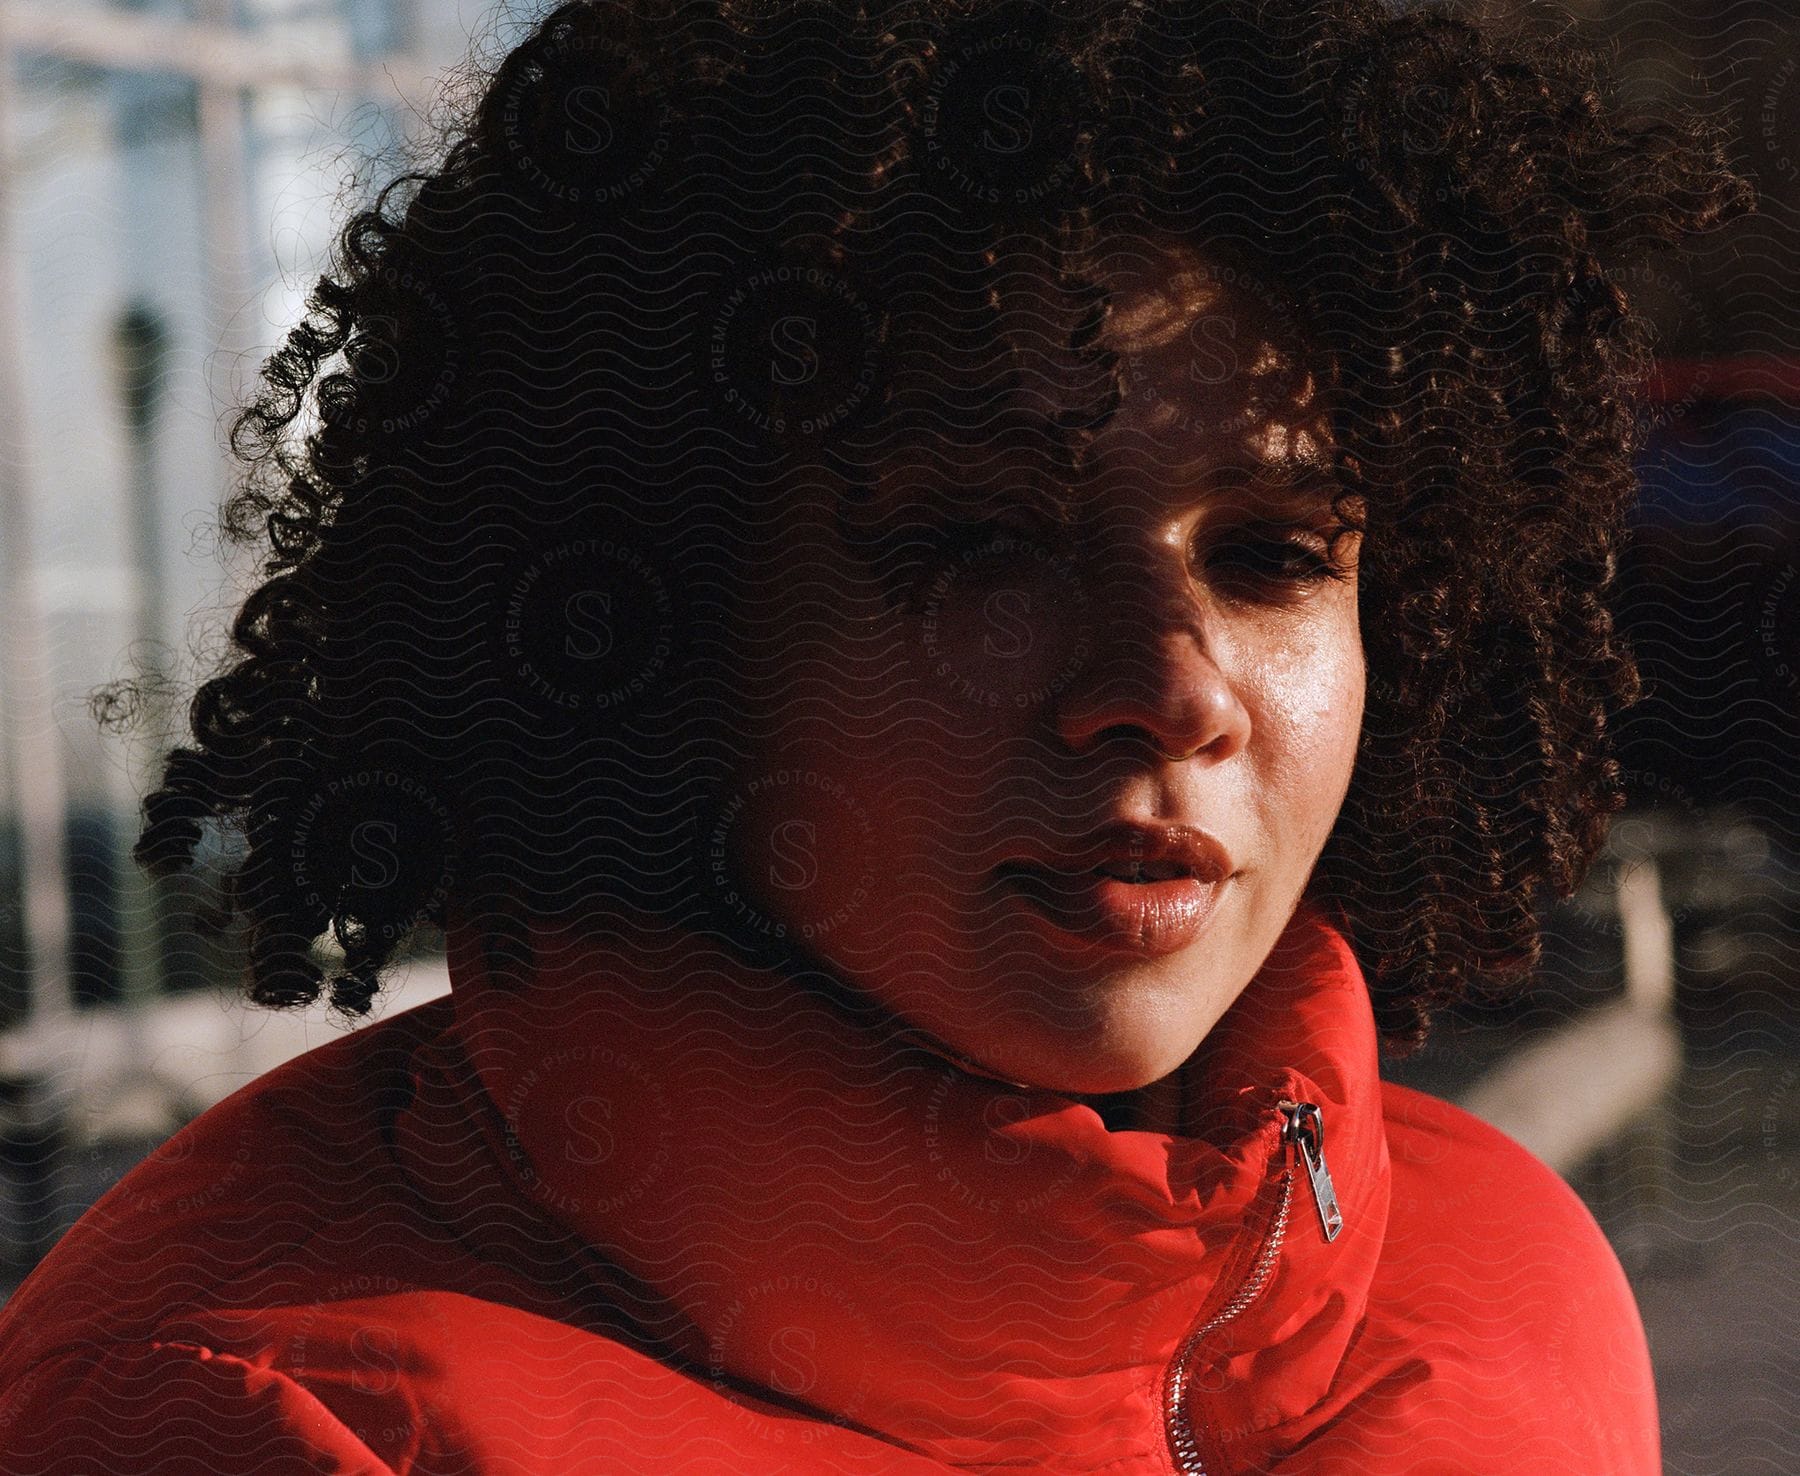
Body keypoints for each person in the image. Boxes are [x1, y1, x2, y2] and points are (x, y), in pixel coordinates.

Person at [0, 0, 1748, 1471]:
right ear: (657, 619)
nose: (1178, 682)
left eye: (1278, 556)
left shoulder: (1506, 1271)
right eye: (978, 542)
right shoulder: (249, 1412)